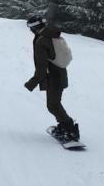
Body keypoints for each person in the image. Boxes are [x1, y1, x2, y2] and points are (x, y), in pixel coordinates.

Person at [24, 11, 80, 141]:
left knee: (53, 105)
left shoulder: (42, 41)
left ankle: (70, 130)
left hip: (53, 77)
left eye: (31, 28)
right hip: (60, 75)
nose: (31, 30)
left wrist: (32, 83)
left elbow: (41, 67)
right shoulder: (52, 34)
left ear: (35, 27)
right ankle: (65, 126)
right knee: (54, 104)